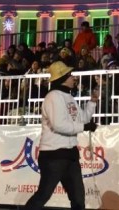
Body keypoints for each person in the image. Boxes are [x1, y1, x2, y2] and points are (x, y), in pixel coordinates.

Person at [23, 61, 98, 209]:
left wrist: (92, 103)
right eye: (70, 75)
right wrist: (84, 127)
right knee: (43, 195)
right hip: (53, 155)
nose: (73, 78)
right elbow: (59, 125)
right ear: (62, 78)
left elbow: (82, 118)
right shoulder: (53, 97)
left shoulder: (68, 97)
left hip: (69, 154)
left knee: (78, 197)